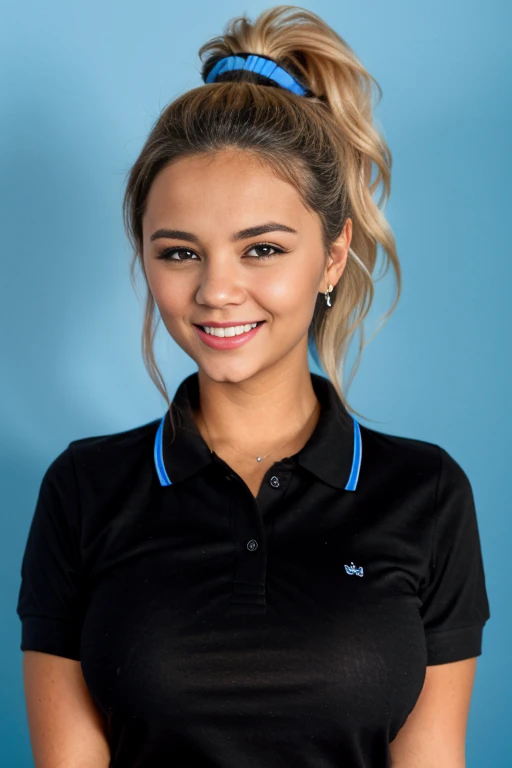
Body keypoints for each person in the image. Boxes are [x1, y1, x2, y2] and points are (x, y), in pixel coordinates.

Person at [16, 5, 490, 767]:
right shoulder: (83, 489)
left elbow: (433, 756)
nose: (217, 291)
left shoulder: (427, 493)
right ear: (145, 257)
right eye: (179, 254)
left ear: (333, 257)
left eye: (261, 248)